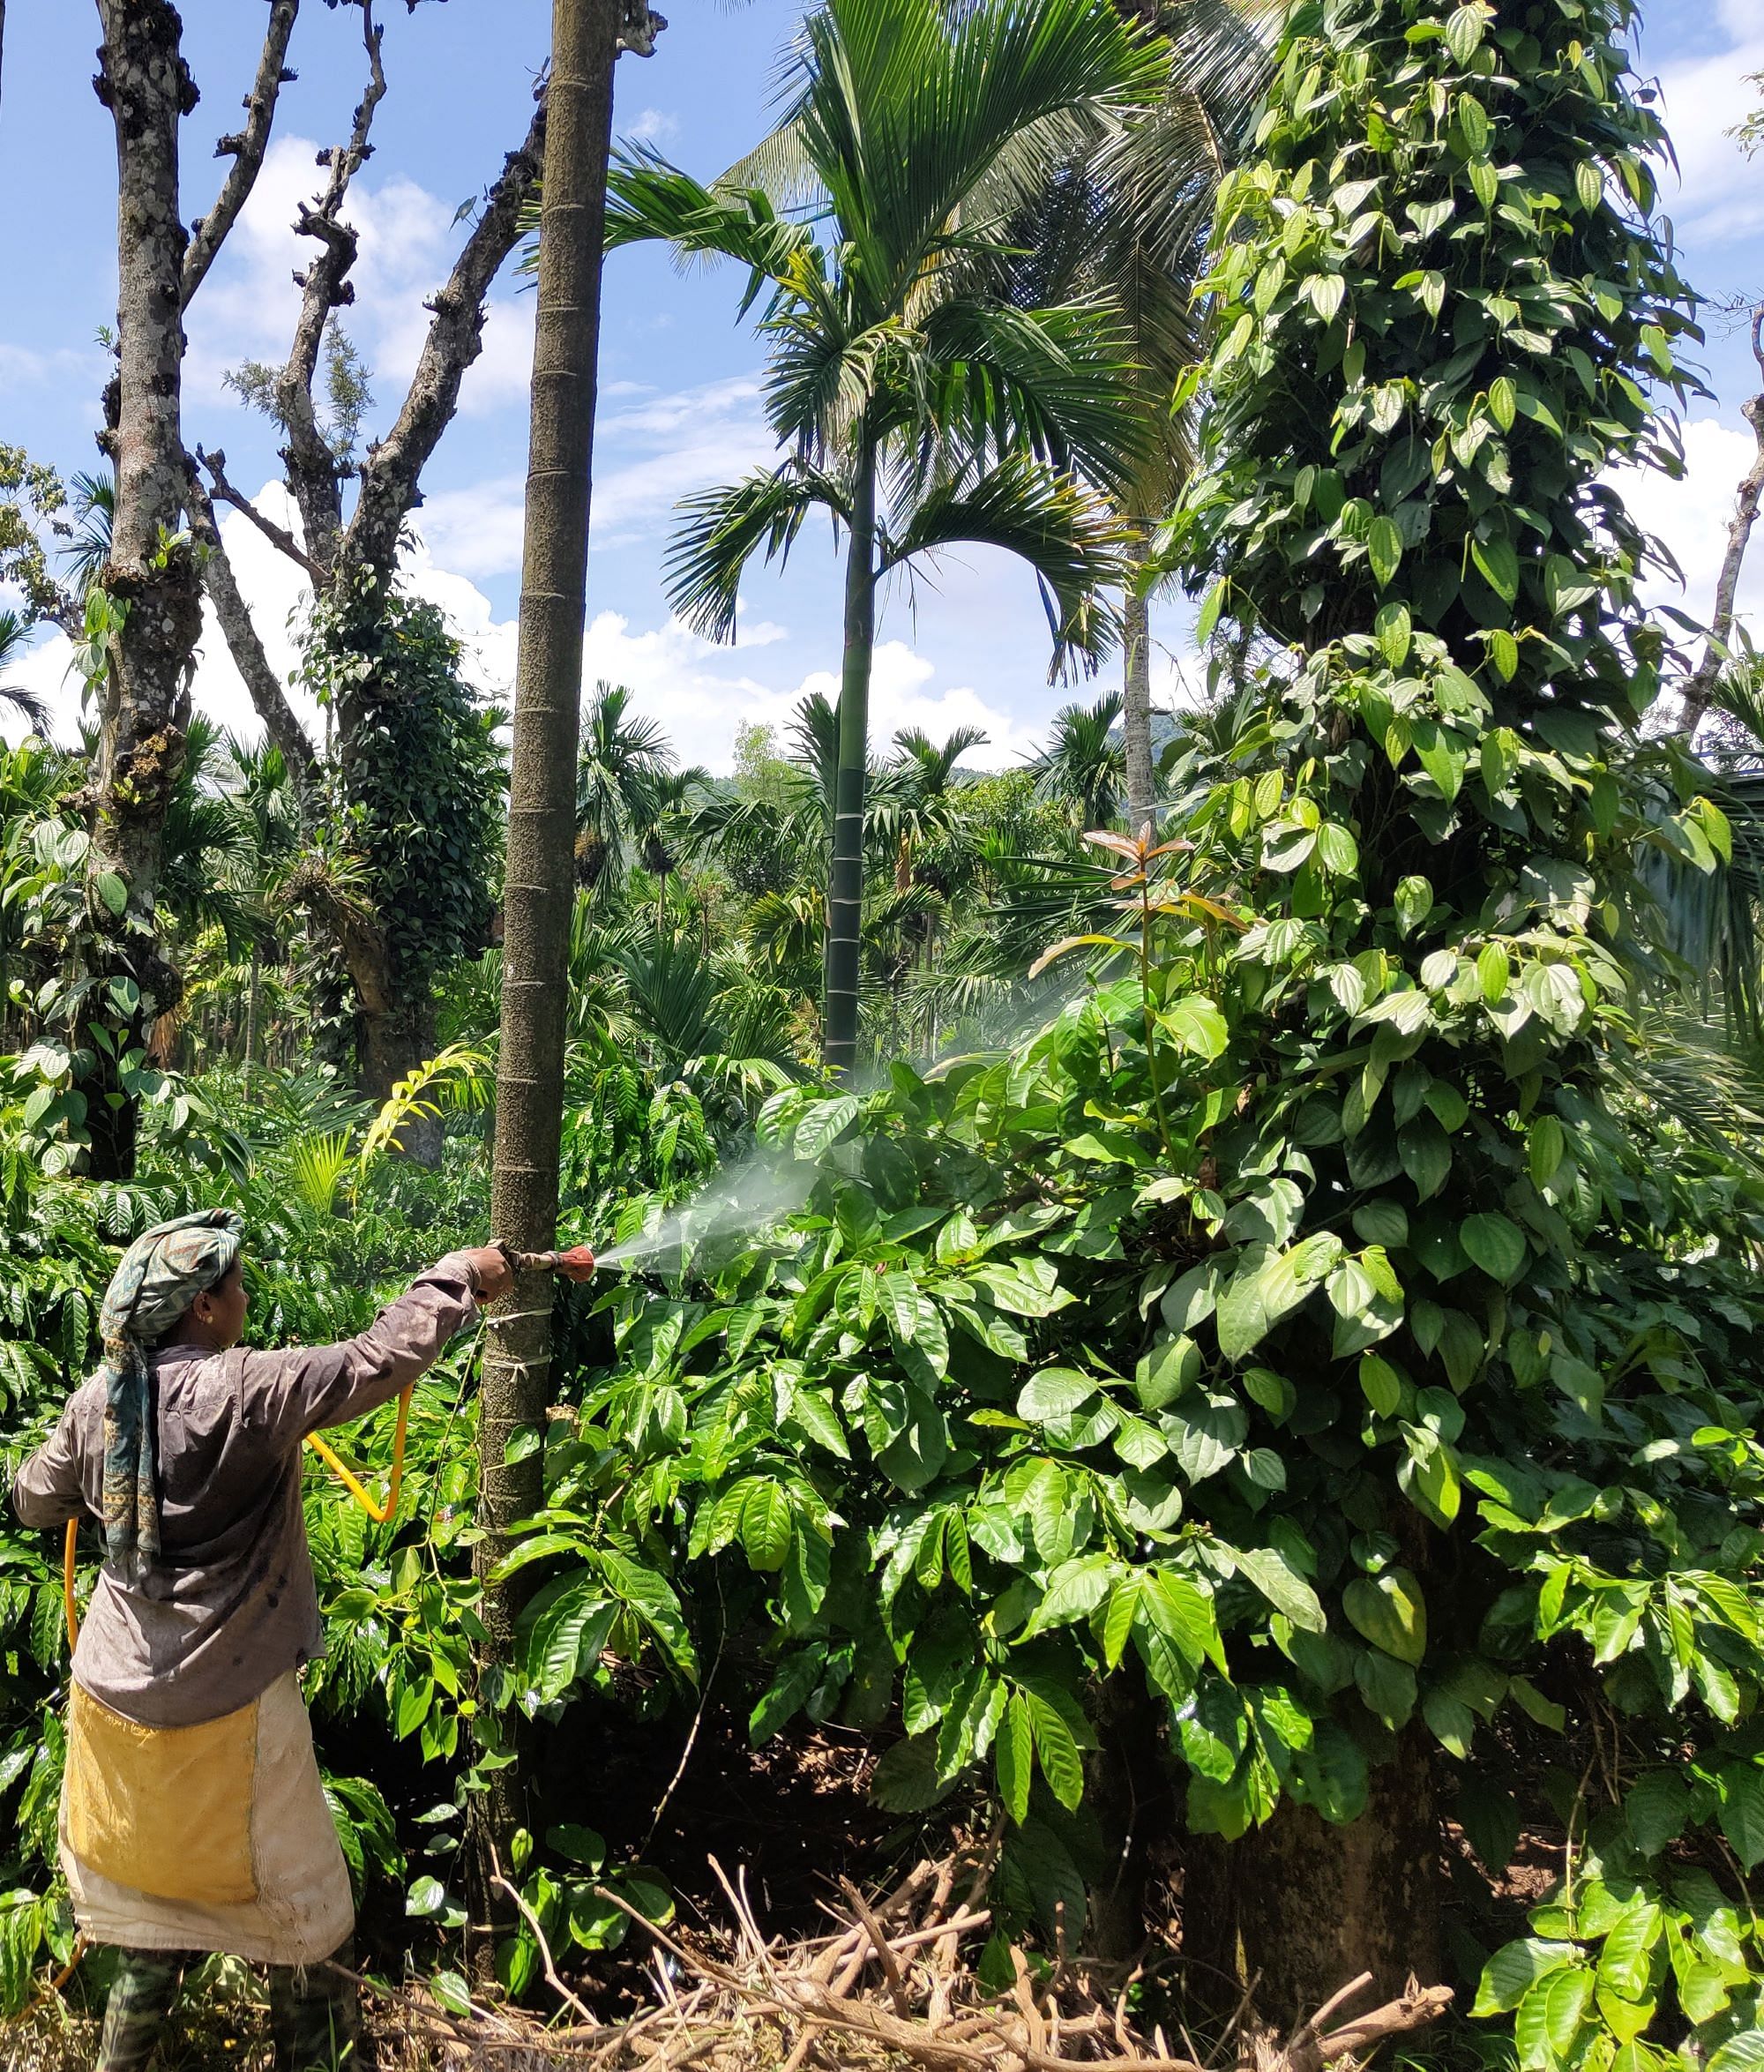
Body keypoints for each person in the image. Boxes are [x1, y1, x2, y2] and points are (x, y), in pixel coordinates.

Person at [10, 1212, 592, 2072]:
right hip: (227, 1724)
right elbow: (380, 1358)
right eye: (237, 1287)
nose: (247, 1298)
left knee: (151, 1909)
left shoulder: (99, 1398)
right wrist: (458, 1273)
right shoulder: (245, 1390)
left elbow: (31, 1501)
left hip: (114, 1723)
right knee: (305, 1924)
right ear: (203, 1306)